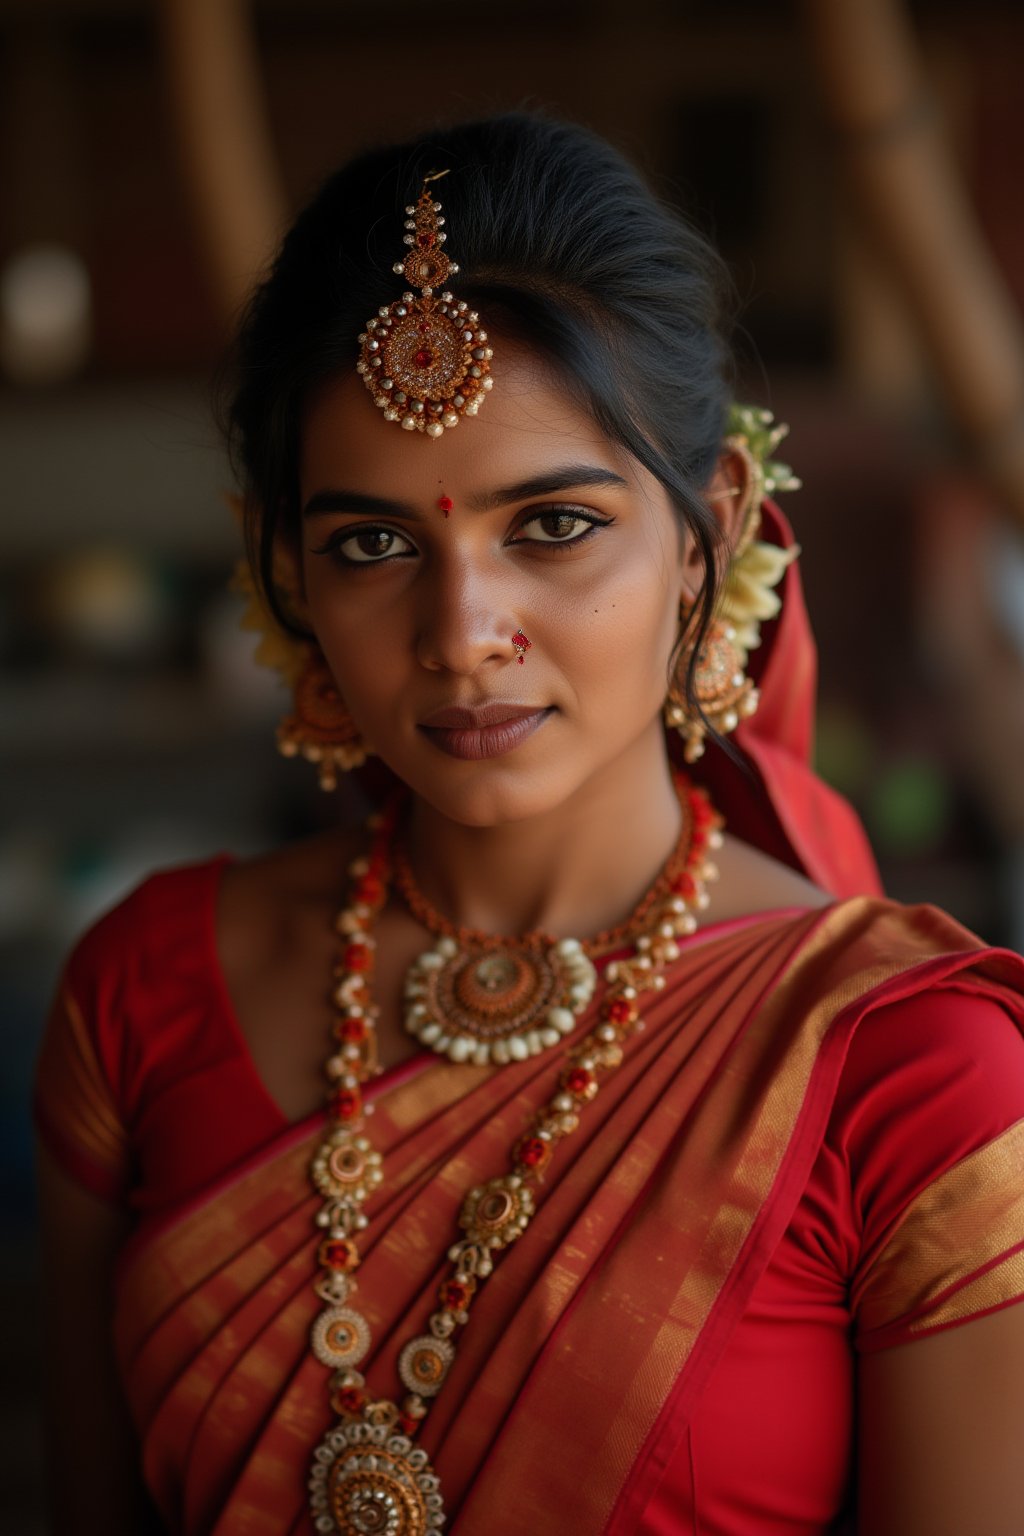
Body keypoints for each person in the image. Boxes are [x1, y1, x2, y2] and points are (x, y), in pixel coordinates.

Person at [34, 113, 1024, 1536]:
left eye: (552, 526)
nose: (461, 635)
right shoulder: (139, 993)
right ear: (288, 574)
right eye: (373, 545)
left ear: (709, 535)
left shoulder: (912, 1072)